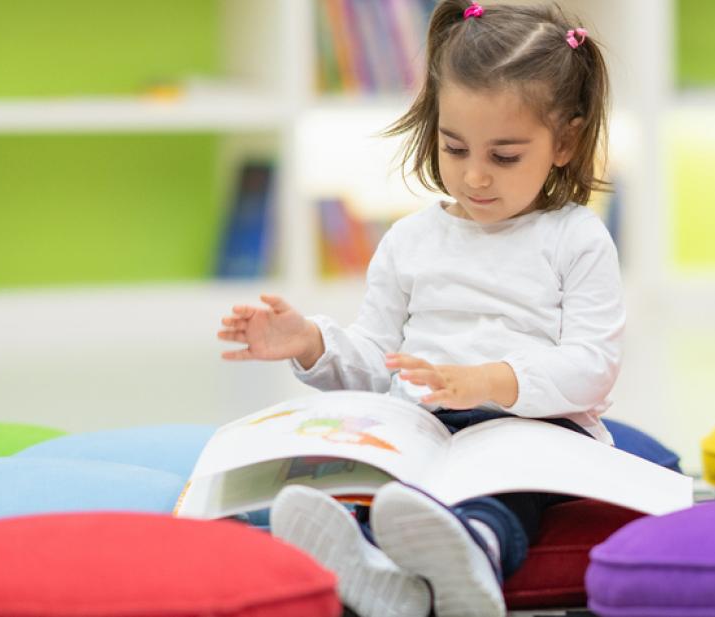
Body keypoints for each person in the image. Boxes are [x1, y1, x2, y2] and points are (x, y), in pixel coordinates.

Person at [217, 1, 619, 615]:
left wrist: (488, 381)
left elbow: (592, 366)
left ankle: (472, 556)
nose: (475, 176)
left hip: (531, 425)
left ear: (564, 140)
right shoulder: (410, 240)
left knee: (497, 486)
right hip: (422, 424)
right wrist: (310, 343)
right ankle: (376, 570)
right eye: (455, 148)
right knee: (375, 474)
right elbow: (380, 364)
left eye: (504, 156)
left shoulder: (577, 237)